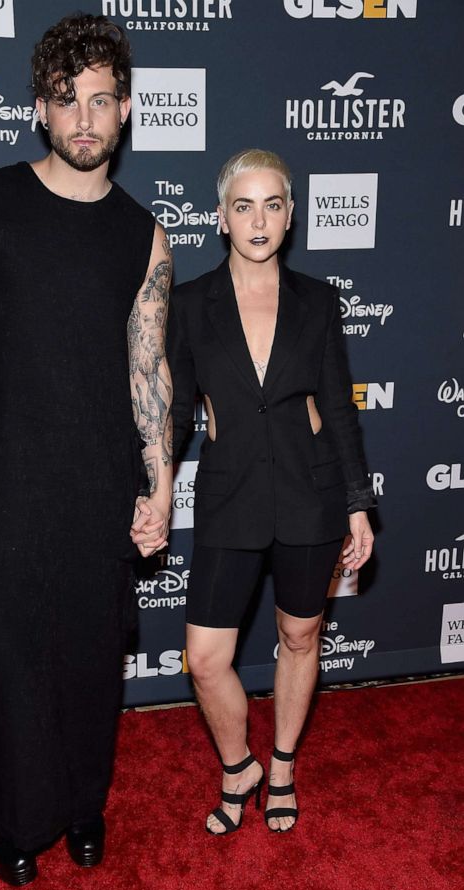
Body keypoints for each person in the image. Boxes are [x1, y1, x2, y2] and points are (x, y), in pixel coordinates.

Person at [0, 13, 173, 884]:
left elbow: (151, 371)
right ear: (41, 109)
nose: (84, 120)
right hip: (8, 475)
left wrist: (161, 480)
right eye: (67, 101)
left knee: (91, 656)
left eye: (101, 101)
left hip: (100, 481)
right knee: (12, 654)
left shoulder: (144, 235)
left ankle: (80, 804)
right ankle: (11, 815)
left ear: (127, 109)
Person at [167, 149, 374, 835]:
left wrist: (356, 501)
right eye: (244, 206)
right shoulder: (190, 302)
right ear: (221, 218)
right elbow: (172, 417)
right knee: (205, 658)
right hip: (230, 493)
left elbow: (339, 409)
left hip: (308, 491)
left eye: (274, 204)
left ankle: (281, 764)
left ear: (291, 215)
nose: (260, 220)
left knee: (300, 632)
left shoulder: (318, 299)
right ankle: (238, 766)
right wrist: (154, 489)